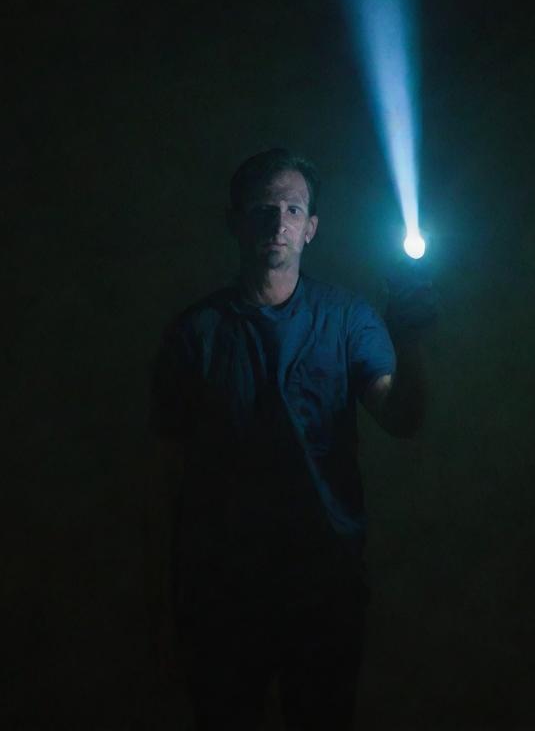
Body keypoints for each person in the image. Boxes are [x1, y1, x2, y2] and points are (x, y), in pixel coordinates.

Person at [144, 148, 435, 730]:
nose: (279, 223)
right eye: (264, 209)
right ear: (236, 222)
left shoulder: (348, 319)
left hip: (323, 586)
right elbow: (168, 470)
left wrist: (409, 339)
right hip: (223, 591)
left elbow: (399, 417)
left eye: (293, 209)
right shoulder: (195, 334)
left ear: (311, 227)